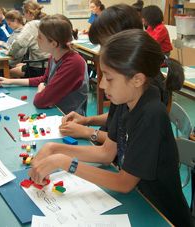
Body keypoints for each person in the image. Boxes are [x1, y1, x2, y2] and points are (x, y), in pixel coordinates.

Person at [28, 29, 193, 227]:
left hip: (162, 215)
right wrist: (56, 149)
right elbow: (107, 154)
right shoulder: (126, 100)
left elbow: (124, 183)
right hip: (138, 202)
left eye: (109, 78)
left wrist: (66, 163)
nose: (102, 85)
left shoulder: (151, 114)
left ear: (137, 79)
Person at [61, 4, 143, 143]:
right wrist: (87, 120)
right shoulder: (125, 75)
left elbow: (125, 142)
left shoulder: (139, 82)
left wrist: (88, 132)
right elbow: (117, 116)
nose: (101, 51)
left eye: (105, 44)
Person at [0, 15, 88, 115]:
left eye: (40, 37)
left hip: (68, 118)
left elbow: (40, 101)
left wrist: (40, 90)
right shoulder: (54, 56)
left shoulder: (73, 63)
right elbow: (44, 80)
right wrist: (9, 81)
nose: (36, 39)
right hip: (55, 110)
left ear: (54, 43)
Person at [8, 0, 49, 78]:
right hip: (51, 64)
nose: (24, 16)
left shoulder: (31, 25)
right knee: (19, 65)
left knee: (9, 72)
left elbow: (18, 43)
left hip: (39, 66)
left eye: (24, 13)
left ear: (29, 13)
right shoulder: (47, 21)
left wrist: (10, 53)